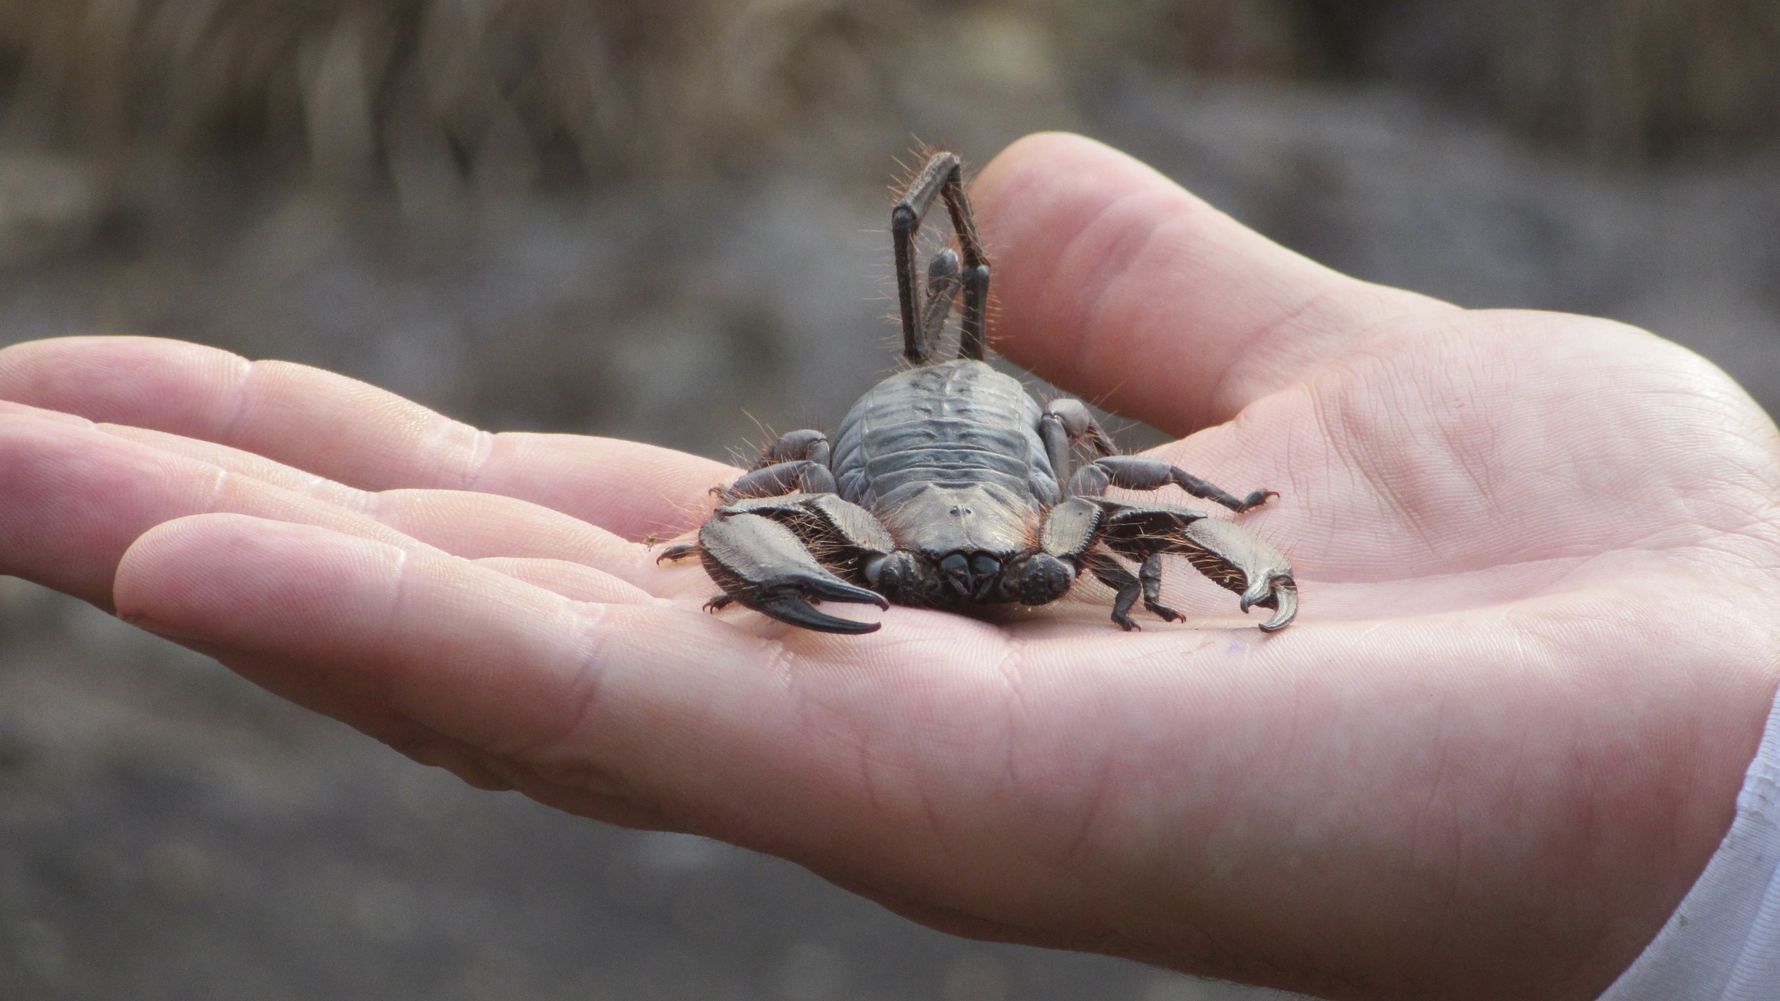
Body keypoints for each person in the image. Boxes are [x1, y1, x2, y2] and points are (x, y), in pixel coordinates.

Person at [0, 133, 1775, 1001]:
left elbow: (1122, 481)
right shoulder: (845, 501)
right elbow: (766, 495)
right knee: (812, 464)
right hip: (906, 468)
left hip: (995, 454)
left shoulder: (1068, 488)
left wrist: (1222, 548)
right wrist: (753, 543)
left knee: (1081, 450)